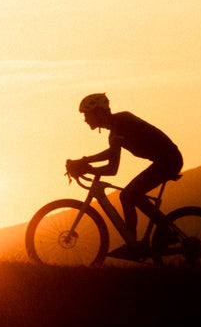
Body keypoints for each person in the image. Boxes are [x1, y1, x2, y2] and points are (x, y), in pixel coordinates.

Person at [66, 93, 183, 258]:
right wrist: (85, 164)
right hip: (165, 160)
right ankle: (142, 240)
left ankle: (152, 236)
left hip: (169, 160)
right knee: (129, 195)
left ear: (98, 112)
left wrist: (84, 164)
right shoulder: (115, 131)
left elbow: (111, 166)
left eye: (86, 115)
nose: (85, 119)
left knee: (129, 195)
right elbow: (112, 165)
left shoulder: (121, 121)